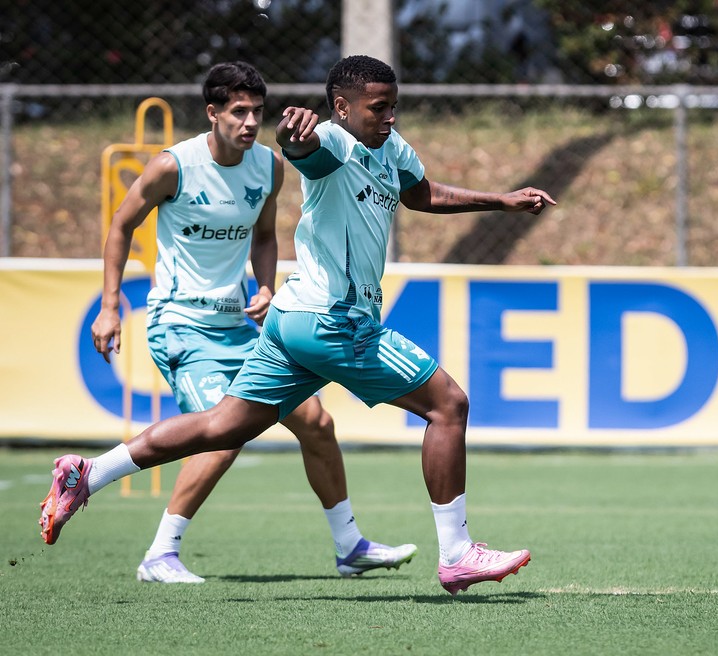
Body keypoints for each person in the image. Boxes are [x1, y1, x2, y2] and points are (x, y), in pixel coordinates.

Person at [40, 54, 555, 595]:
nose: (390, 117)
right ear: (341, 107)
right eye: (378, 108)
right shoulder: (330, 143)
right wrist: (292, 133)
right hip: (333, 322)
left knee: (222, 428)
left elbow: (420, 193)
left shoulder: (391, 148)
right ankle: (456, 554)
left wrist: (502, 200)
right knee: (448, 405)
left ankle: (87, 474)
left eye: (393, 107)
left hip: (288, 321)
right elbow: (301, 148)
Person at [83, 60, 416, 583]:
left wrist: (265, 286)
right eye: (237, 112)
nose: (248, 122)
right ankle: (159, 554)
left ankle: (349, 546)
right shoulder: (174, 166)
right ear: (212, 113)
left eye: (256, 112)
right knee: (223, 432)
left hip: (240, 324)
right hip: (180, 324)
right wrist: (108, 306)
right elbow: (121, 226)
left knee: (318, 423)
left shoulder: (268, 166)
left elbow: (264, 236)